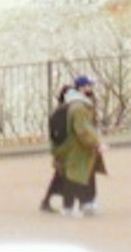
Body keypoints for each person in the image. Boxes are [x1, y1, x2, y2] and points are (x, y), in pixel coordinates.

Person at [57, 77, 107, 218]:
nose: (90, 89)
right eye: (88, 86)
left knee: (78, 175)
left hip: (72, 147)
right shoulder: (79, 107)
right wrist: (96, 143)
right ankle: (80, 204)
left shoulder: (72, 104)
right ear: (81, 88)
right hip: (78, 148)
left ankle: (79, 204)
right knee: (81, 175)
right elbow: (83, 129)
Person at [40, 85, 78, 215]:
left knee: (61, 176)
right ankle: (65, 203)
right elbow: (58, 134)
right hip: (64, 150)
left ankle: (50, 201)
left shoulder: (63, 111)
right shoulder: (63, 112)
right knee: (64, 176)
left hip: (63, 149)